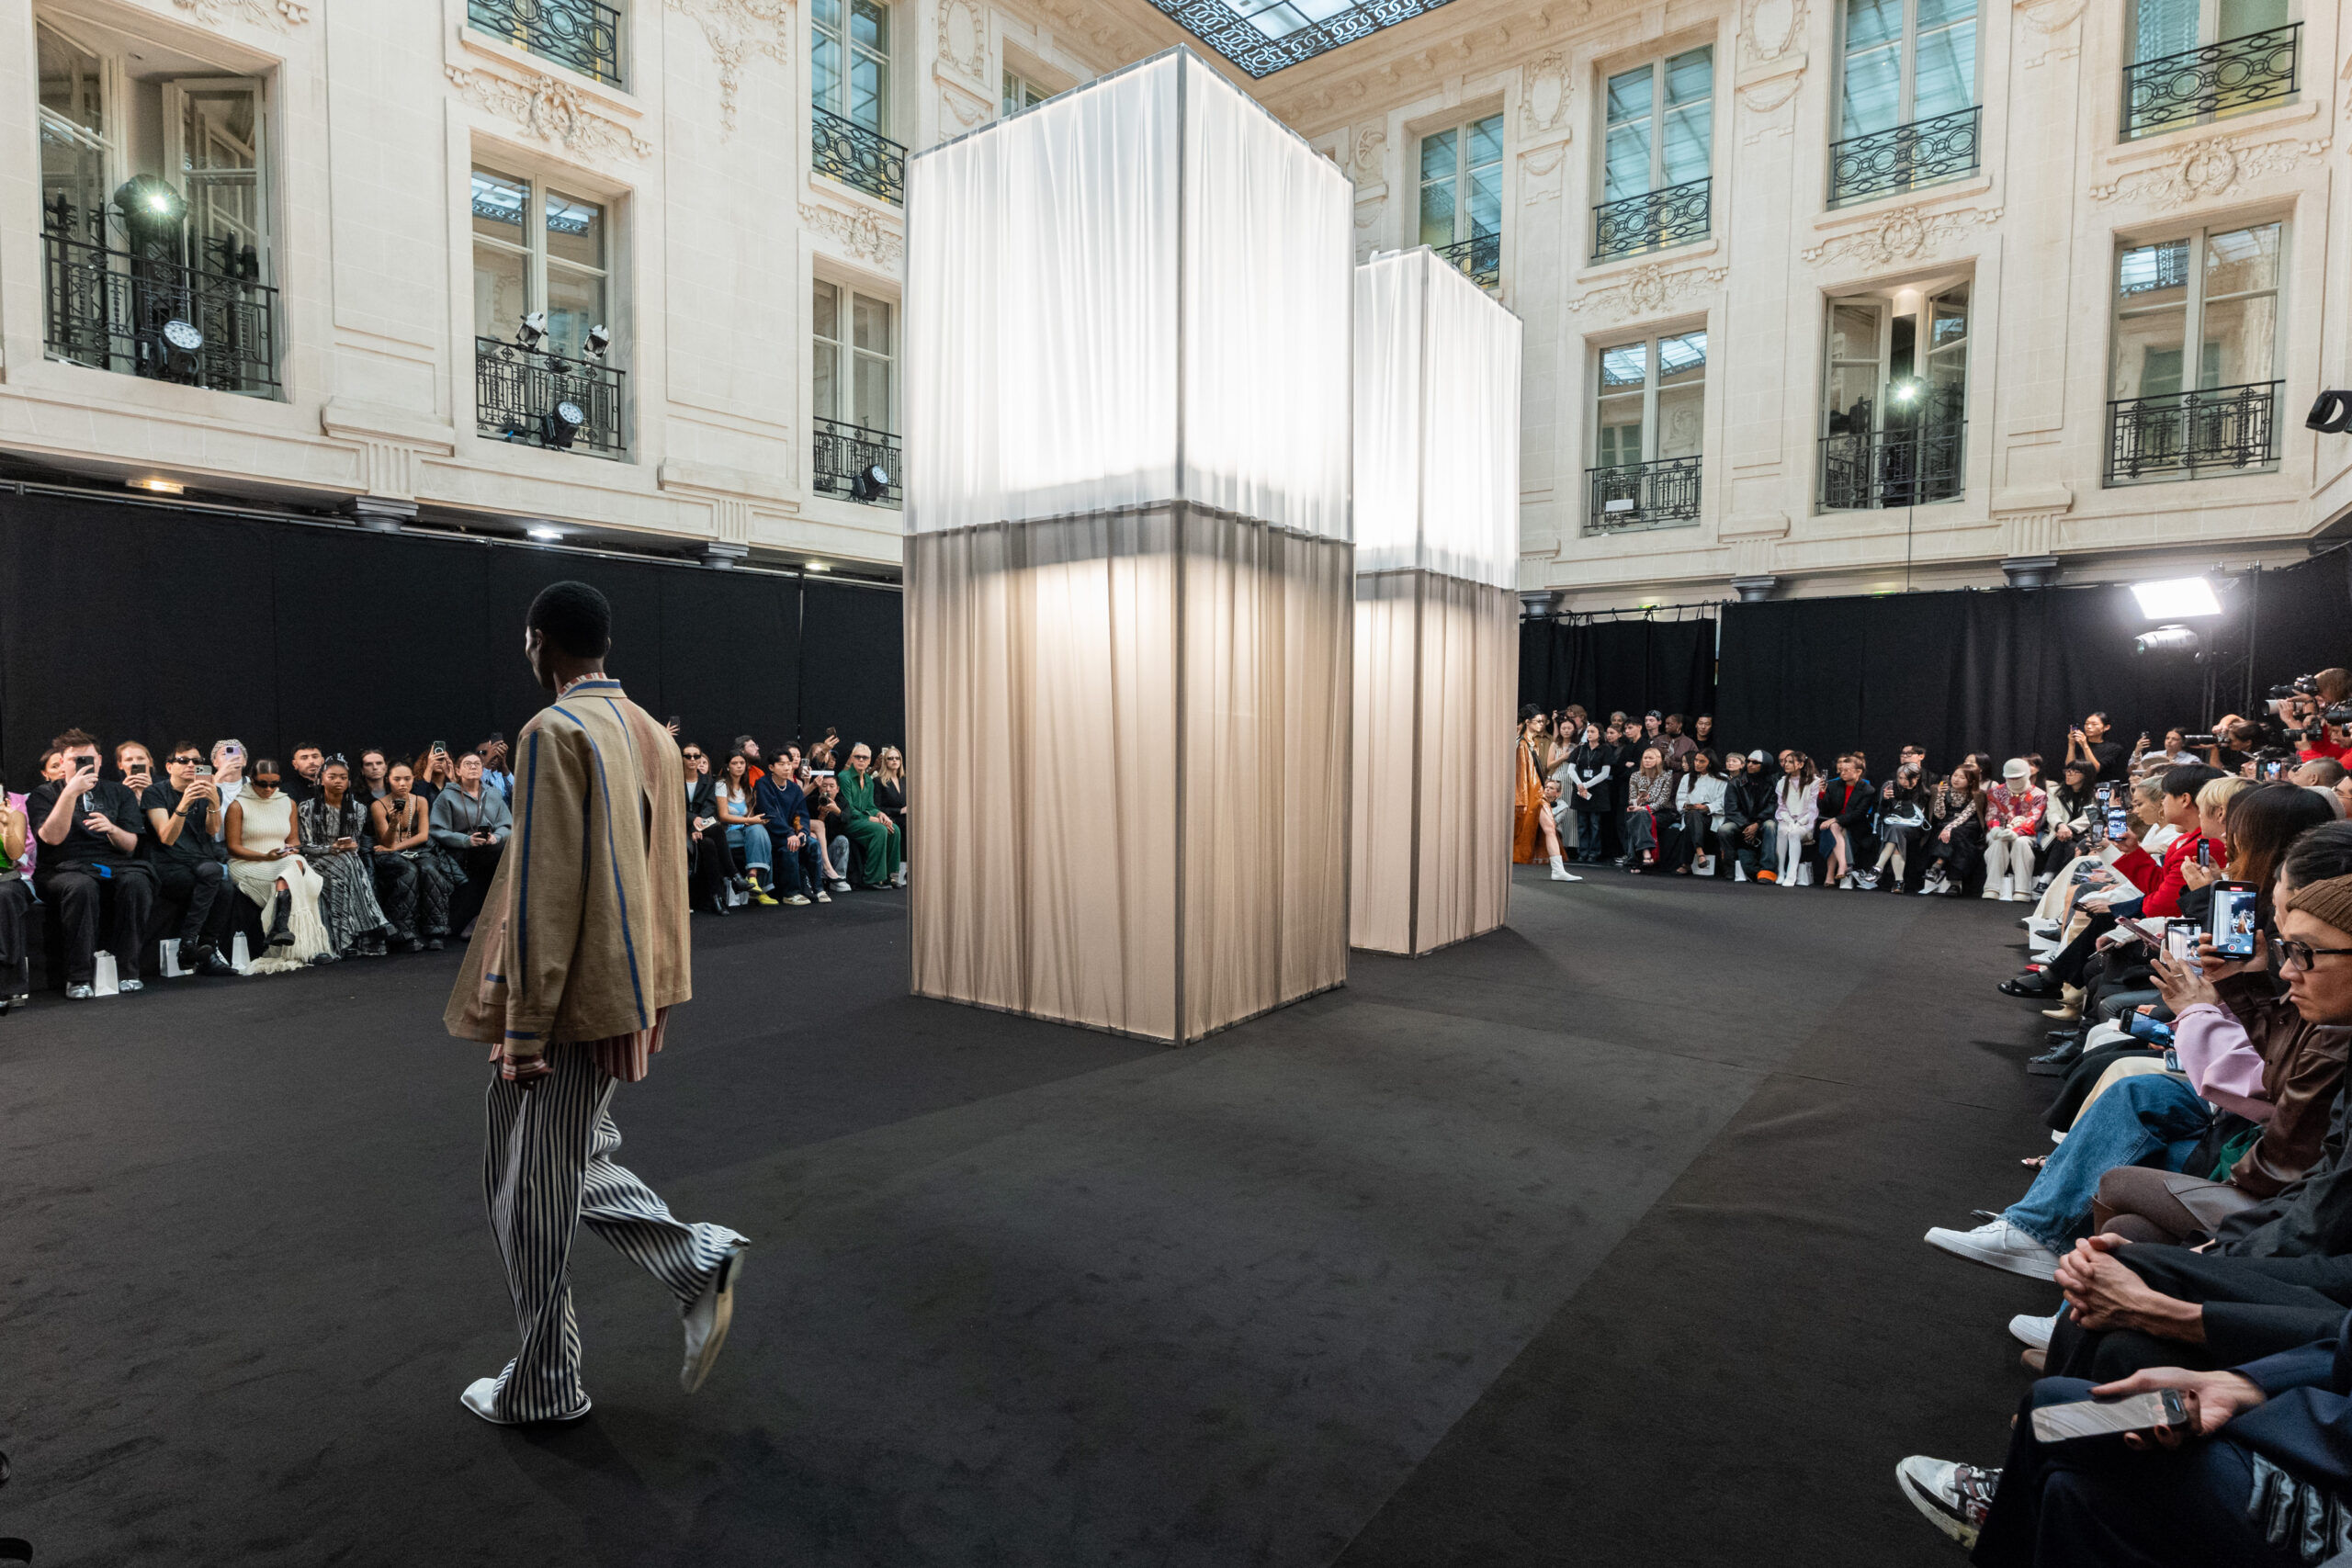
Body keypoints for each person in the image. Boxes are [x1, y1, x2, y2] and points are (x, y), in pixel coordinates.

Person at [446, 580, 747, 1427]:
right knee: (549, 1160)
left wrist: (525, 1026)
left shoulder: (553, 730)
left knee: (529, 1193)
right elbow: (666, 873)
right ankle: (693, 1263)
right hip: (628, 983)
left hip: (573, 997)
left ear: (538, 640)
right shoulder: (652, 731)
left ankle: (548, 1380)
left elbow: (544, 886)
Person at [29, 729, 158, 998]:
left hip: (112, 863)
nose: (81, 765)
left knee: (137, 880)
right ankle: (78, 977)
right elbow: (52, 838)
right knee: (81, 886)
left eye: (87, 759)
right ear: (62, 762)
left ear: (99, 760)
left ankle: (127, 971)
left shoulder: (119, 792)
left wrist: (112, 829)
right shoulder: (44, 794)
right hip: (62, 866)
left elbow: (130, 845)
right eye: (74, 760)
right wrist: (70, 793)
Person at [223, 759, 333, 973]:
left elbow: (294, 841)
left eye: (274, 784)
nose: (268, 789)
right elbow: (233, 848)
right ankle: (307, 947)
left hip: (281, 862)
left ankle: (281, 926)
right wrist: (265, 856)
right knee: (296, 870)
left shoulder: (288, 803)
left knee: (296, 863)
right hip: (248, 864)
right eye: (262, 784)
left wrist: (290, 850)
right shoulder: (238, 805)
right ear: (251, 780)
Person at [144, 740, 239, 975]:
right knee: (216, 877)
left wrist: (214, 802)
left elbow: (212, 830)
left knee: (225, 887)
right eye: (183, 760)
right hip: (168, 862)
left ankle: (202, 949)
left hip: (199, 860)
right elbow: (167, 837)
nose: (190, 765)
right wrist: (185, 803)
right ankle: (191, 944)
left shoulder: (211, 790)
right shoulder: (155, 792)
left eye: (197, 761)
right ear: (169, 767)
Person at [300, 758, 395, 959]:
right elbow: (306, 846)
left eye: (343, 777)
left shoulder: (358, 809)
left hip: (345, 861)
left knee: (347, 865)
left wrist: (350, 846)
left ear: (349, 781)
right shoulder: (307, 808)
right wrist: (331, 848)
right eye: (332, 777)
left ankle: (346, 942)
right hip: (317, 860)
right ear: (321, 780)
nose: (338, 781)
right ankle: (375, 921)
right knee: (350, 862)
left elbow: (355, 842)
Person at [431, 750, 513, 936]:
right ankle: (479, 921)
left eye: (477, 764)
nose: (473, 767)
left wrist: (496, 837)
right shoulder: (447, 796)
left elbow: (507, 825)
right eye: (468, 764)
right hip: (462, 851)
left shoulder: (493, 793)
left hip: (491, 846)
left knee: (509, 853)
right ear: (458, 771)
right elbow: (437, 829)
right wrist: (466, 840)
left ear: (483, 770)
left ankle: (486, 919)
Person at [370, 761, 450, 952]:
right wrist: (393, 823)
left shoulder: (420, 801)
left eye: (407, 779)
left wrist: (395, 847)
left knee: (430, 870)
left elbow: (423, 835)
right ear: (388, 780)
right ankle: (405, 934)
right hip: (389, 855)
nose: (402, 784)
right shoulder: (378, 805)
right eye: (397, 779)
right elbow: (386, 842)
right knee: (408, 872)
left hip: (416, 850)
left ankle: (436, 931)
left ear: (413, 779)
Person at [1513, 709, 1577, 882]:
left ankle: (1558, 870)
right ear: (1528, 722)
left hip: (1537, 792)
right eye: (1538, 721)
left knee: (1549, 827)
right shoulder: (1522, 744)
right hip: (1528, 794)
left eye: (1542, 721)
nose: (1541, 724)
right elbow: (1520, 774)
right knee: (1519, 833)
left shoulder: (1530, 742)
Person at [754, 755, 826, 905]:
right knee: (791, 845)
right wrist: (789, 833)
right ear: (771, 767)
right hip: (771, 832)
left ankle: (818, 889)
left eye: (788, 764)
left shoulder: (794, 788)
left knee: (813, 844)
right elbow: (769, 814)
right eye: (781, 764)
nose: (786, 768)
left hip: (791, 832)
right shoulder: (763, 784)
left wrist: (802, 832)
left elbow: (801, 814)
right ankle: (791, 893)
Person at [835, 744, 906, 890]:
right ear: (852, 759)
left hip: (863, 820)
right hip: (849, 821)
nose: (861, 760)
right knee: (880, 829)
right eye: (857, 757)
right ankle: (873, 879)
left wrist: (880, 814)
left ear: (869, 761)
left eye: (865, 757)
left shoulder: (868, 780)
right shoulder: (844, 777)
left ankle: (891, 877)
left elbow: (871, 806)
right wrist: (871, 819)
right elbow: (848, 809)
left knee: (894, 829)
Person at [713, 752, 776, 905]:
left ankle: (753, 877)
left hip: (745, 831)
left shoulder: (747, 788)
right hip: (727, 833)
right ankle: (762, 889)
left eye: (742, 763)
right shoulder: (721, 785)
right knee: (762, 840)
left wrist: (757, 821)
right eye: (735, 763)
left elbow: (750, 818)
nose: (739, 766)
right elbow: (723, 816)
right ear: (728, 767)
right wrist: (749, 820)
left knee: (760, 832)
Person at [1984, 757, 2050, 902]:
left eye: (2018, 777)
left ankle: (2023, 889)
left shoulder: (2039, 795)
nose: (2014, 781)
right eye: (2010, 778)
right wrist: (1996, 829)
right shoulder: (1995, 792)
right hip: (1999, 830)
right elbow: (1992, 813)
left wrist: (2016, 832)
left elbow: (2035, 818)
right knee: (1997, 842)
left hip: (2027, 833)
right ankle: (1991, 887)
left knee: (2021, 843)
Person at [681, 743, 733, 916]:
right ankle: (733, 875)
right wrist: (693, 823)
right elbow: (673, 807)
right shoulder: (674, 780)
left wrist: (698, 825)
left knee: (710, 842)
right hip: (679, 826)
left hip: (701, 827)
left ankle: (716, 898)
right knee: (716, 831)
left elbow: (710, 806)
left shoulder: (709, 781)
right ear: (681, 758)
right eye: (688, 756)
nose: (693, 759)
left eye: (696, 756)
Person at [1921, 763, 1985, 897]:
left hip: (1967, 827)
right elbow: (1940, 815)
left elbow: (1965, 816)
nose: (1956, 779)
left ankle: (1938, 864)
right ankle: (1954, 884)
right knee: (1956, 840)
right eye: (1955, 776)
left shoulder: (1977, 795)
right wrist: (1940, 795)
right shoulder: (1944, 791)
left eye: (1962, 778)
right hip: (1946, 825)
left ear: (1971, 781)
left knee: (1956, 834)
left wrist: (1949, 829)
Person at [1816, 754, 1876, 888]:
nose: (1842, 773)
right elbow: (1824, 809)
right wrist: (1822, 793)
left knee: (1834, 828)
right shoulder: (1833, 785)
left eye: (1846, 770)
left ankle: (1831, 874)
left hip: (1856, 825)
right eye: (1841, 770)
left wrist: (1835, 820)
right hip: (1833, 823)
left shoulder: (1868, 790)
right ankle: (1843, 866)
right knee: (1833, 829)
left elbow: (1858, 814)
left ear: (1858, 772)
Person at [1872, 762, 1931, 892]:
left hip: (1913, 827)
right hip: (1891, 825)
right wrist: (1885, 801)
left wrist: (1907, 793)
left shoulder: (1923, 793)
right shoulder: (1890, 786)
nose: (1903, 782)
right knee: (1896, 833)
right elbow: (1881, 814)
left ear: (1917, 778)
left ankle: (1878, 867)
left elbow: (1910, 816)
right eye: (1900, 778)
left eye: (1907, 778)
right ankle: (1899, 882)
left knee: (1896, 830)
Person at [1621, 744, 1678, 874]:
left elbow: (1663, 800)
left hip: (1661, 812)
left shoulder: (1666, 776)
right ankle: (1645, 853)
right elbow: (1631, 799)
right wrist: (1638, 801)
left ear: (1658, 760)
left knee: (1638, 817)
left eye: (1650, 758)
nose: (1647, 760)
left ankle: (1635, 860)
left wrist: (1644, 808)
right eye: (1645, 758)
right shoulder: (1635, 776)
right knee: (1637, 816)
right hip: (1640, 810)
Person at [0, 781, 31, 1010]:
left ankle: (9, 984)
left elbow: (15, 855)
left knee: (5, 896)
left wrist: (7, 827)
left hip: (7, 878)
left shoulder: (16, 816)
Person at [1673, 748, 1724, 875]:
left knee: (1691, 823)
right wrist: (1687, 805)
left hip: (1712, 817)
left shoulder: (1721, 779)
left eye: (1702, 761)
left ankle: (1686, 863)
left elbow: (1722, 802)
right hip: (1691, 814)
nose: (1697, 764)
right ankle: (1700, 852)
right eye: (1696, 760)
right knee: (1693, 815)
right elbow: (1680, 799)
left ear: (1710, 763)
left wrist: (1706, 807)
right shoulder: (1687, 778)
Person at [1771, 751, 1820, 886]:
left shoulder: (1814, 781)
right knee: (1782, 830)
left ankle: (1791, 874)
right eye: (1785, 762)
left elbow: (1813, 809)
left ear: (1800, 764)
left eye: (1790, 762)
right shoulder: (1782, 782)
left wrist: (1799, 822)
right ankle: (1781, 871)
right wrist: (1790, 821)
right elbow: (1781, 807)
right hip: (1788, 820)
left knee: (1793, 834)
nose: (1786, 764)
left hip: (1806, 823)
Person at [876, 746, 908, 886]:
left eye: (897, 758)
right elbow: (877, 807)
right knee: (905, 826)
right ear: (885, 761)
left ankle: (907, 871)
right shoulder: (878, 781)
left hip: (905, 818)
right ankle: (896, 874)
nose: (894, 761)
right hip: (889, 818)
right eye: (891, 758)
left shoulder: (905, 780)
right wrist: (899, 811)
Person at [2065, 711, 2129, 784]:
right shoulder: (2078, 744)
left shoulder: (2114, 748)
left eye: (2094, 724)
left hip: (2100, 787)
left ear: (2106, 727)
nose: (2088, 727)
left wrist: (2085, 745)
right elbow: (2069, 767)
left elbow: (2095, 769)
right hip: (2079, 786)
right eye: (2086, 724)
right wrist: (2071, 744)